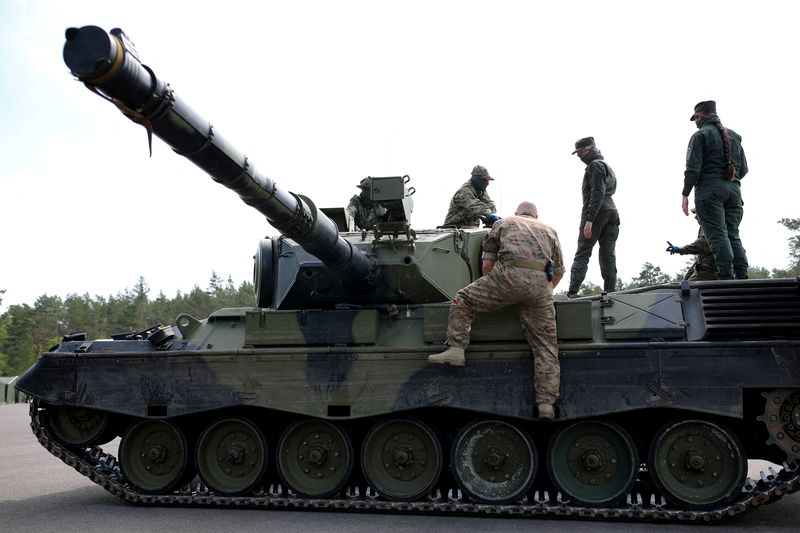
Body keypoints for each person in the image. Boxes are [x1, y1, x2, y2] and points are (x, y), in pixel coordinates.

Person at [429, 201, 565, 420]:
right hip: (541, 286)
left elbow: (487, 265)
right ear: (536, 216)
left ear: (517, 213)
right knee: (546, 347)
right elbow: (558, 272)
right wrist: (537, 293)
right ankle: (546, 404)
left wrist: (496, 292)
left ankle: (456, 349)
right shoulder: (549, 230)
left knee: (463, 298)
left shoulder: (504, 223)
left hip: (509, 277)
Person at [682, 100, 749, 280]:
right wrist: (728, 182)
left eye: (695, 118)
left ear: (699, 116)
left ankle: (726, 278)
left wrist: (685, 193)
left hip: (709, 192)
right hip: (734, 192)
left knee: (718, 235)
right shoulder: (734, 136)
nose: (695, 122)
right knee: (733, 235)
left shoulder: (700, 136)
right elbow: (744, 170)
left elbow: (693, 170)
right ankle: (742, 277)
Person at [566, 137, 620, 298]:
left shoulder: (595, 166)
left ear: (590, 149)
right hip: (612, 211)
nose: (580, 156)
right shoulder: (606, 166)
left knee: (583, 251)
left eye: (581, 152)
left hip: (597, 211)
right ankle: (610, 291)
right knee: (607, 253)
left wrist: (590, 220)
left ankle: (572, 292)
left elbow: (598, 192)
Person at [666, 209, 719, 281]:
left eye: (697, 214)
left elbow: (700, 245)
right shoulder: (704, 227)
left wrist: (681, 249)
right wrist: (686, 278)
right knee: (683, 286)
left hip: (711, 269)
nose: (695, 217)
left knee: (690, 288)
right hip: (704, 265)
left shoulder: (710, 227)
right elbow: (700, 257)